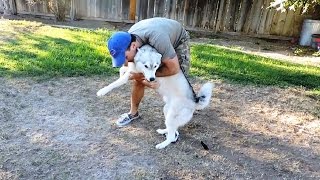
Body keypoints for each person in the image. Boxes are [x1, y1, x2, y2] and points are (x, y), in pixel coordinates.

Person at [107, 17, 191, 127]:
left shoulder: (158, 39)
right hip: (155, 35)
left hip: (176, 39)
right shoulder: (128, 40)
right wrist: (137, 75)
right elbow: (132, 70)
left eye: (125, 57)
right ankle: (133, 113)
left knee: (177, 80)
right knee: (139, 77)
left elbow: (173, 68)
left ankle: (174, 122)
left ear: (133, 47)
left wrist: (150, 77)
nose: (124, 63)